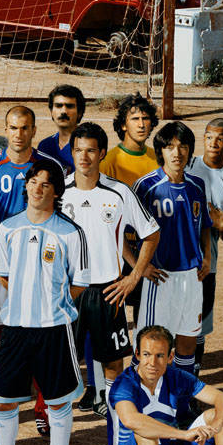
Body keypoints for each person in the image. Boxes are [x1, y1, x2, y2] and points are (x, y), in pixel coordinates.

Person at [0, 160, 89, 445]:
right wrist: (27, 301)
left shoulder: (70, 232)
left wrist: (50, 303)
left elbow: (79, 282)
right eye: (33, 181)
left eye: (45, 184)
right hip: (16, 328)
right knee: (4, 401)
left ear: (56, 192)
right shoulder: (8, 228)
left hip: (54, 328)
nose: (37, 189)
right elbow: (5, 276)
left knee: (58, 401)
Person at [60, 121, 159, 429]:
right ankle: (57, 438)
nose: (84, 156)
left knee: (114, 363)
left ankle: (117, 433)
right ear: (72, 152)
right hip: (68, 291)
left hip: (108, 291)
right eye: (78, 150)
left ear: (102, 153)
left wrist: (134, 276)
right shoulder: (58, 190)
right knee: (61, 363)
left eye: (91, 150)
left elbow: (151, 233)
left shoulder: (119, 193)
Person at [0, 106, 61, 415]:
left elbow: (59, 214)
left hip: (37, 267)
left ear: (34, 130)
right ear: (5, 129)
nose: (19, 134)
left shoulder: (48, 167)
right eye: (13, 127)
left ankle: (42, 407)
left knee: (39, 334)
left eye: (24, 128)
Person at [133, 122, 210, 374]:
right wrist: (139, 267)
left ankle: (182, 394)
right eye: (170, 147)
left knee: (187, 343)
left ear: (190, 151)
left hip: (192, 278)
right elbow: (122, 233)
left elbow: (205, 225)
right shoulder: (146, 186)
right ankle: (141, 395)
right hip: (160, 279)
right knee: (150, 345)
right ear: (160, 151)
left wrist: (207, 257)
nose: (177, 153)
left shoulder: (197, 185)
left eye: (183, 146)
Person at [187, 118, 223, 372]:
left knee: (198, 325)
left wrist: (222, 224)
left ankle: (193, 372)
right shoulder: (187, 164)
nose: (214, 143)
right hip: (172, 260)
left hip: (206, 266)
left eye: (220, 139)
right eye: (209, 137)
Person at [100, 94, 158, 189]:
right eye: (135, 119)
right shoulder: (107, 163)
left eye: (145, 118)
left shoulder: (158, 159)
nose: (141, 125)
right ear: (123, 125)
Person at [37, 84, 85, 170]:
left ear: (79, 113)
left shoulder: (88, 146)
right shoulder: (45, 146)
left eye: (69, 106)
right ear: (51, 111)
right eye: (58, 106)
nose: (63, 111)